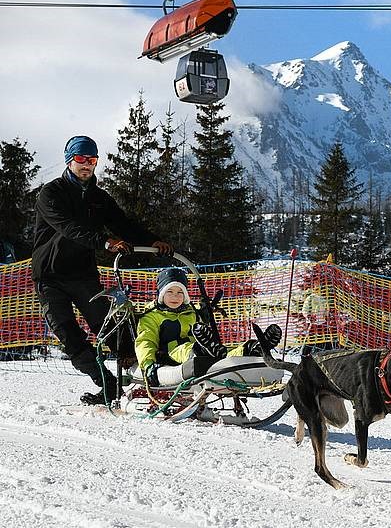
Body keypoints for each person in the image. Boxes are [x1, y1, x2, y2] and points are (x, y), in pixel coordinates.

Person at [32, 135, 173, 405]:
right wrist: (104, 242)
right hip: (50, 277)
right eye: (81, 159)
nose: (87, 165)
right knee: (68, 333)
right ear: (69, 160)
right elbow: (68, 228)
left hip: (82, 274)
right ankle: (107, 383)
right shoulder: (51, 194)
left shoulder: (99, 198)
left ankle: (145, 378)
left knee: (109, 326)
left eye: (92, 160)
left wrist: (150, 240)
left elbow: (123, 223)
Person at [135, 267, 282, 386]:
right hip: (169, 352)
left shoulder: (191, 312)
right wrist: (148, 365)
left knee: (222, 351)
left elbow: (201, 321)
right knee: (189, 348)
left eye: (180, 292)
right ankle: (203, 349)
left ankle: (251, 348)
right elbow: (145, 341)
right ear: (161, 294)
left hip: (200, 346)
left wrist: (205, 312)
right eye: (170, 292)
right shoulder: (151, 316)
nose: (176, 296)